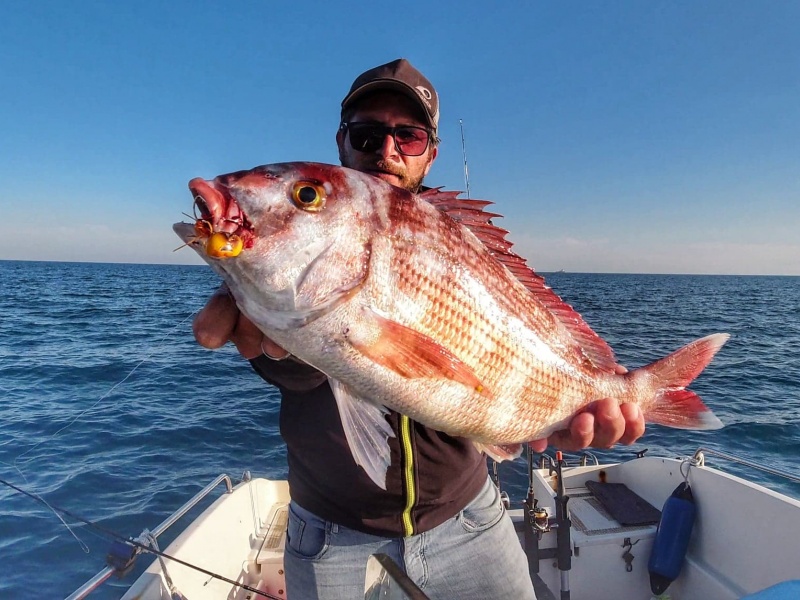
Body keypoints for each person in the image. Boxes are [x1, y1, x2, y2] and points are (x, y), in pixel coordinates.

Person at [193, 58, 646, 599]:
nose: (386, 150)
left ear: (429, 152)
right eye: (367, 134)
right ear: (342, 142)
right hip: (330, 535)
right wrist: (286, 347)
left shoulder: (451, 238)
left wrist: (569, 404)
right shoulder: (292, 268)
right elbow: (314, 367)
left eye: (407, 136)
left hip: (472, 521)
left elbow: (494, 367)